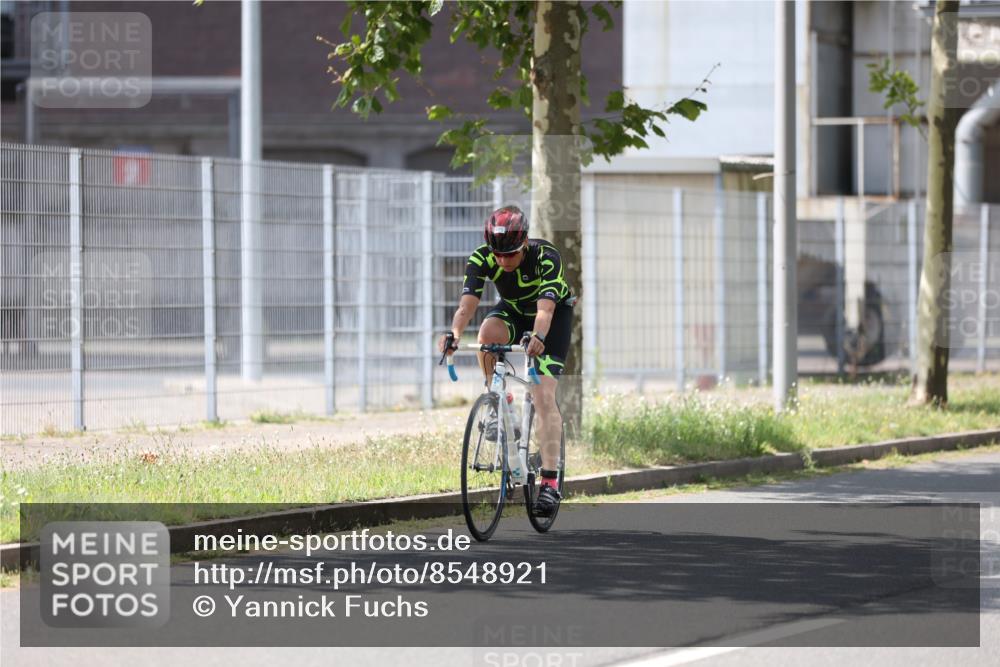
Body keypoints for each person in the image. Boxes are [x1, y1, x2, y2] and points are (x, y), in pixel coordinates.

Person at [438, 205, 575, 517]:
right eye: (497, 255)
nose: (502, 261)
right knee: (487, 333)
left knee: (542, 396)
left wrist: (538, 337)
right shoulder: (482, 257)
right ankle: (502, 405)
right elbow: (467, 304)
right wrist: (454, 333)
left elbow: (546, 311)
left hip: (551, 317)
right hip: (513, 310)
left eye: (510, 254)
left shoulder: (545, 256)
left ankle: (550, 482)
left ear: (524, 243)